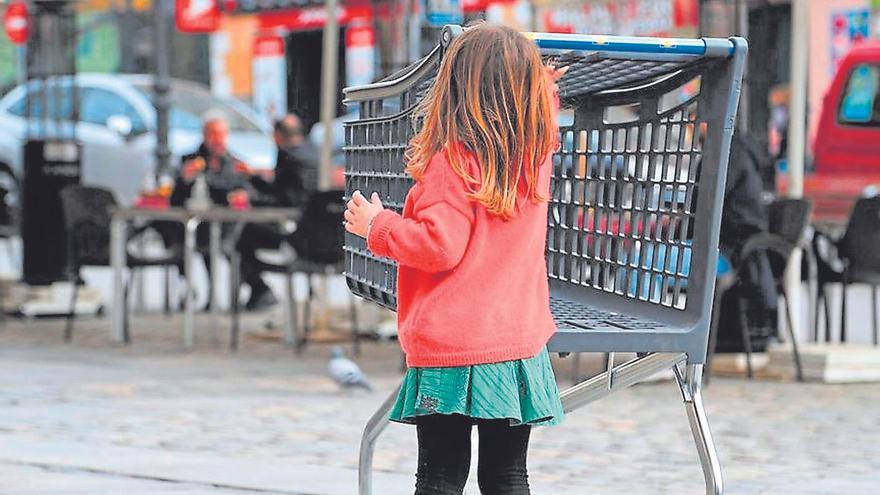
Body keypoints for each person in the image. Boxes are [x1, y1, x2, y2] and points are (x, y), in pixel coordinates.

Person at [344, 24, 565, 495]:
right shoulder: (535, 157)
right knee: (507, 475)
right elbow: (542, 107)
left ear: (456, 88)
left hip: (454, 347)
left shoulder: (455, 162)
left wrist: (377, 225)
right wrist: (540, 82)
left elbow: (438, 246)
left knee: (440, 475)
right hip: (516, 343)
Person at [234, 114, 321, 310]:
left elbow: (282, 198)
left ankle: (259, 289)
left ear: (278, 136)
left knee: (243, 237)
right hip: (316, 232)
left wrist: (252, 198)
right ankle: (260, 290)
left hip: (292, 231)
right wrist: (255, 176)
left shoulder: (287, 156)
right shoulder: (312, 152)